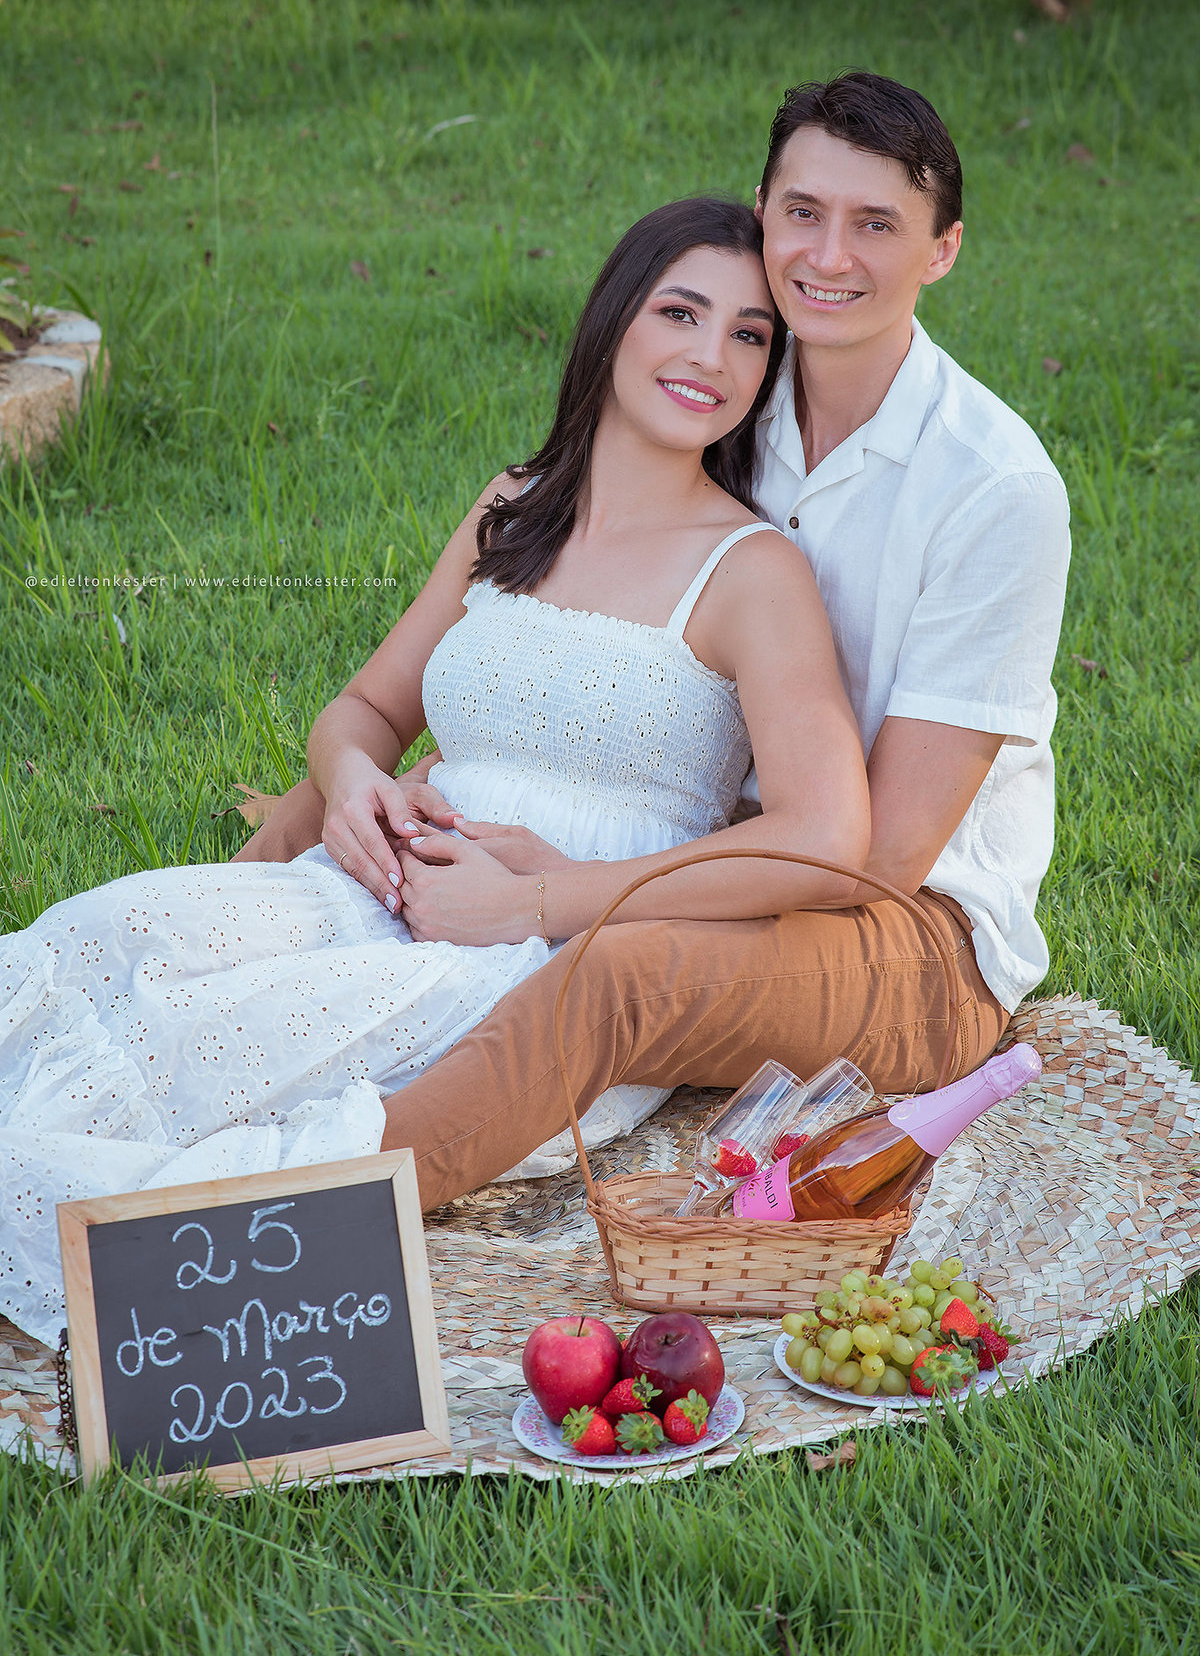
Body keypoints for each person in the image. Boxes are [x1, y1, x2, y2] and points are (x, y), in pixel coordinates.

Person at [0, 198, 871, 1345]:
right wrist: (354, 783)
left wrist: (540, 899)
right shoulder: (517, 505)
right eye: (681, 312)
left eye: (750, 334)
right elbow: (366, 710)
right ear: (614, 319)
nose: (711, 355)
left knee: (198, 1051)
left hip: (539, 966)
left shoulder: (754, 572)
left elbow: (826, 840)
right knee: (103, 934)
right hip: (374, 884)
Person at [238, 72, 1072, 1215]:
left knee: (618, 974)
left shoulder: (992, 488)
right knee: (340, 806)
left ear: (943, 250)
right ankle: (184, 1006)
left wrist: (556, 891)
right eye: (803, 212)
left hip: (905, 923)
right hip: (716, 834)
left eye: (877, 224)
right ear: (764, 212)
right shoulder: (733, 386)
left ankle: (299, 1210)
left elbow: (870, 856)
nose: (829, 254)